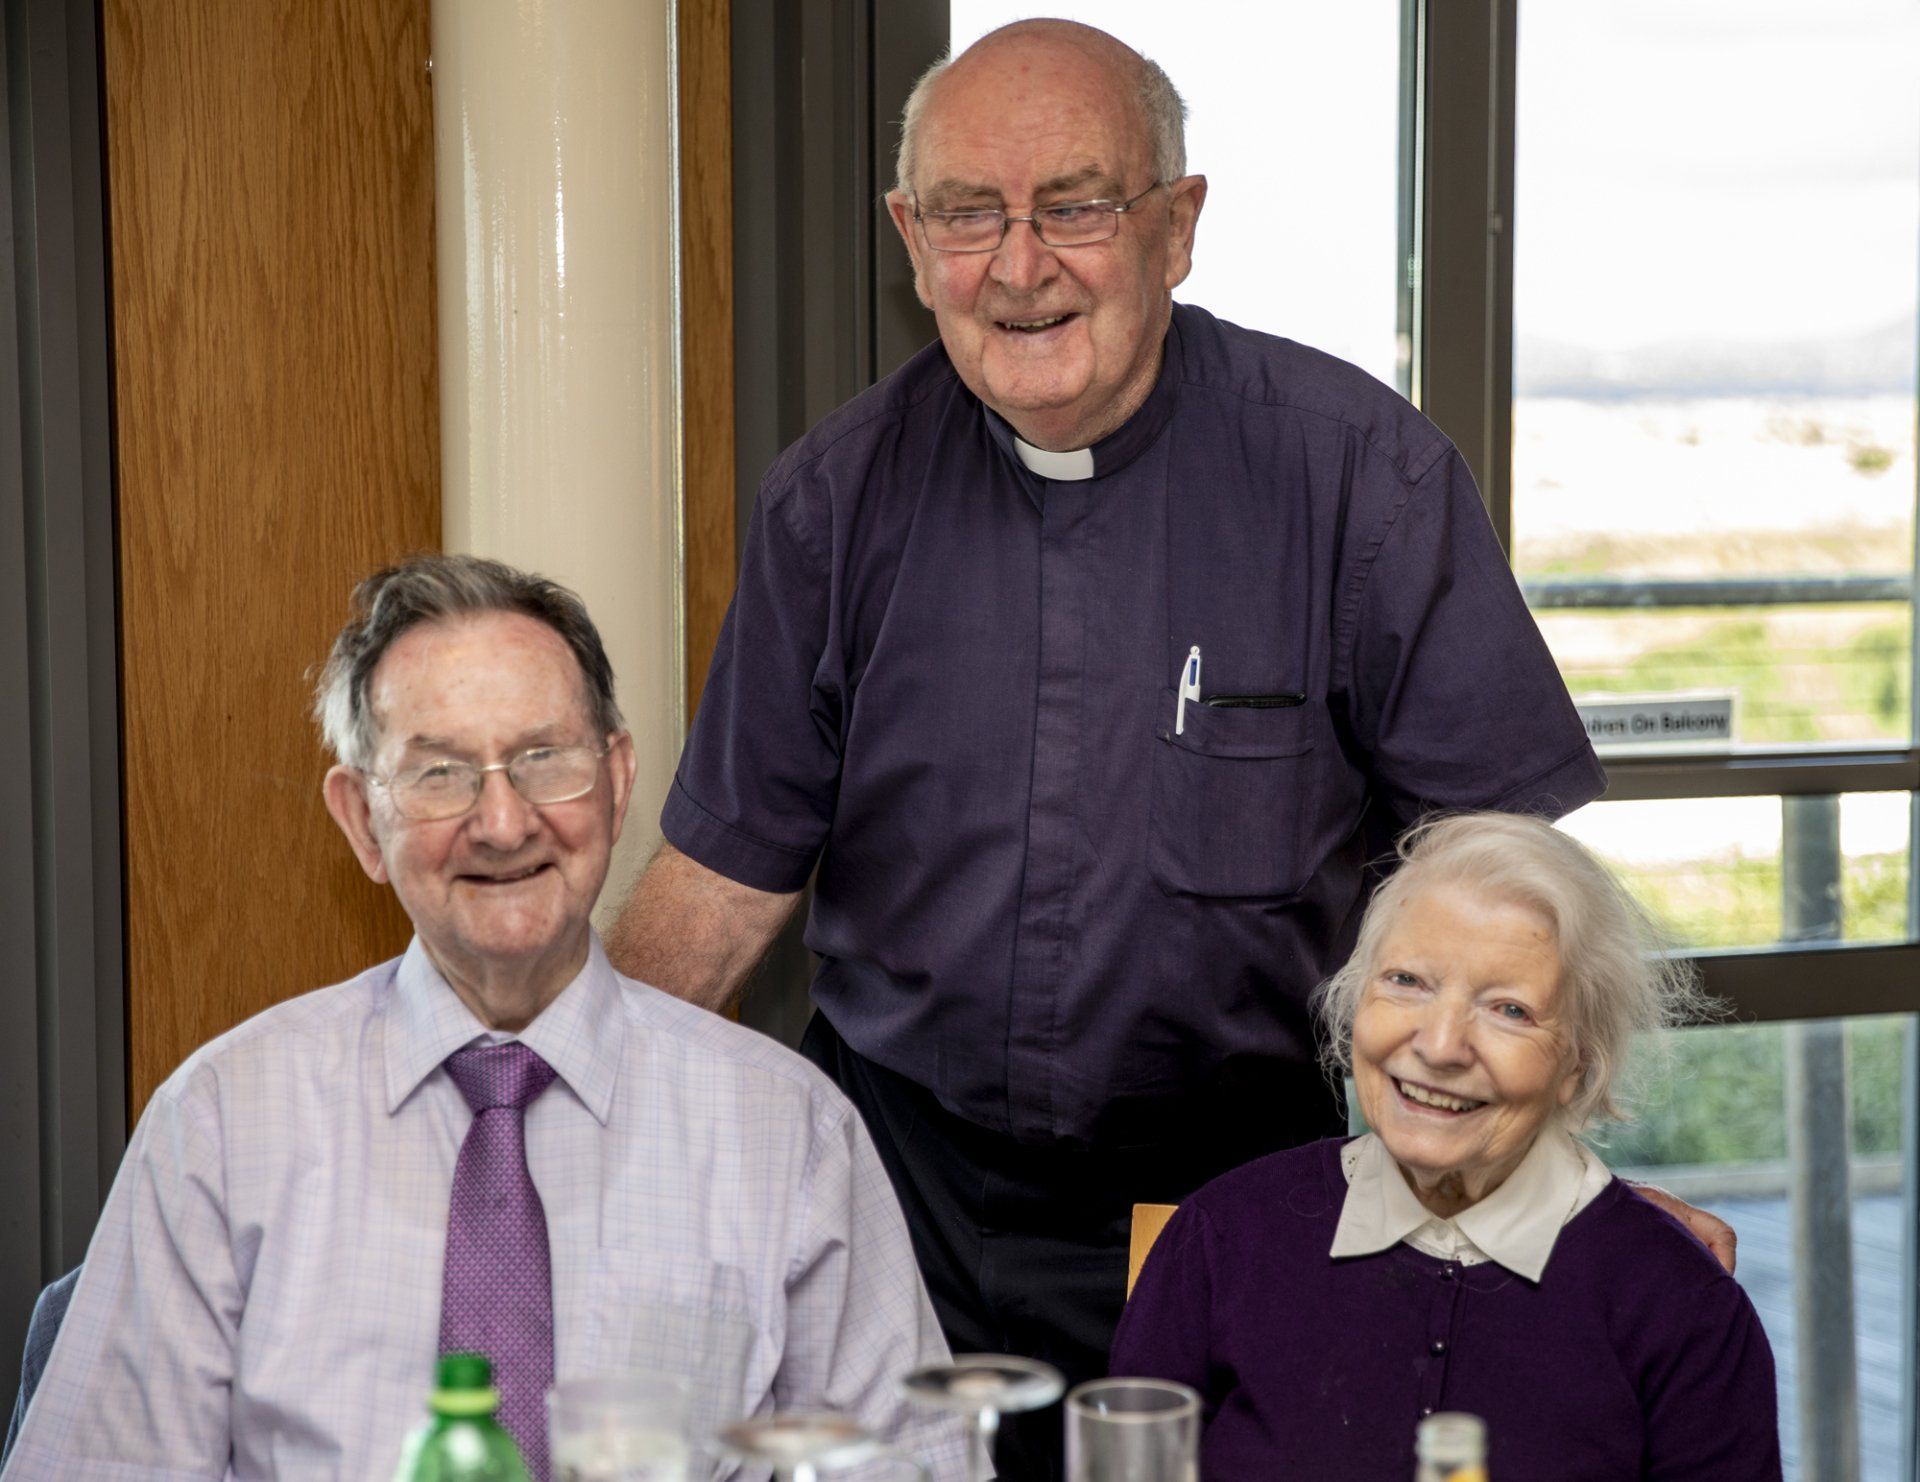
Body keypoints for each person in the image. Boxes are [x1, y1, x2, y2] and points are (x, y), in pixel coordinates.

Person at [608, 20, 1727, 1474]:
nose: (1020, 266)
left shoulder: (1361, 481)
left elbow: (1501, 890)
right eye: (968, 214)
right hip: (898, 1189)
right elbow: (722, 876)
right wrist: (549, 1117)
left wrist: (1580, 1182)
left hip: (1241, 1200)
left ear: (1177, 225)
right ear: (909, 236)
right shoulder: (832, 499)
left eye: (1075, 205)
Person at [3, 555, 967, 1481]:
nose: (503, 823)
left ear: (620, 781)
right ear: (358, 822)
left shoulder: (789, 1134)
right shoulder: (219, 1127)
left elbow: (914, 1464)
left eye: (544, 760)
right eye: (439, 774)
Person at [1112, 813, 1781, 1479]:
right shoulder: (1222, 1236)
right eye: (1406, 982)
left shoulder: (1681, 1306)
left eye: (1508, 1009)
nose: (1438, 1046)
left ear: (1579, 1060)